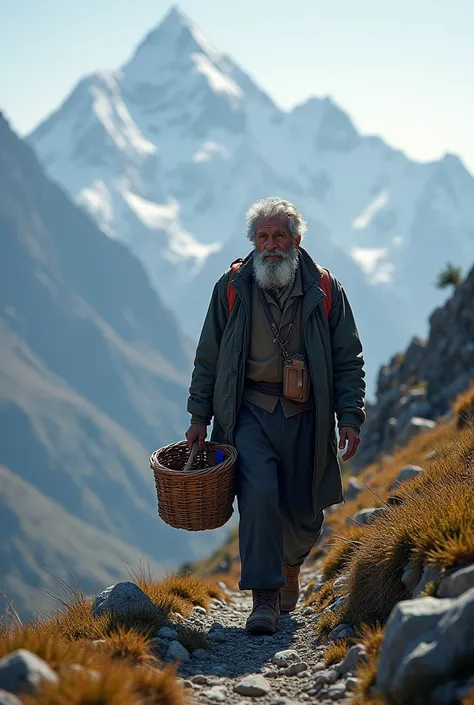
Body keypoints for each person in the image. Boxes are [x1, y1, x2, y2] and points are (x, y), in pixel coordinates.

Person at [186, 197, 365, 634]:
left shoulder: (325, 288)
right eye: (262, 237)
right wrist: (198, 416)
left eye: (278, 236)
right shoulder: (232, 287)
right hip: (249, 412)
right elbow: (208, 357)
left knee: (305, 513)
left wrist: (351, 416)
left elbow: (348, 358)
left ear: (296, 240)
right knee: (259, 495)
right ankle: (263, 598)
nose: (270, 245)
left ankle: (290, 565)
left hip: (308, 415)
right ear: (253, 241)